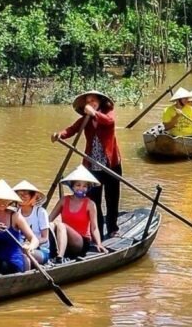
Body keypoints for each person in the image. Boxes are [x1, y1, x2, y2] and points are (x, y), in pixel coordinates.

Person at [51, 90, 122, 239]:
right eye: (88, 102)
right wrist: (59, 135)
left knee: (112, 198)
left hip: (110, 164)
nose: (91, 104)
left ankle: (113, 228)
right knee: (94, 200)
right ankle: (98, 232)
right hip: (92, 165)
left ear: (100, 102)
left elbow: (110, 122)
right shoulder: (86, 119)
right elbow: (72, 129)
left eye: (93, 101)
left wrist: (94, 114)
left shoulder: (107, 113)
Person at [49, 166, 108, 263]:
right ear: (72, 186)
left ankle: (60, 257)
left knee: (61, 225)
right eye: (78, 185)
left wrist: (99, 243)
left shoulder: (90, 204)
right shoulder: (64, 200)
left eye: (84, 186)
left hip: (81, 242)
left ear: (88, 188)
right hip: (64, 239)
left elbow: (94, 228)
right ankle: (50, 252)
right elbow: (50, 219)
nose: (81, 188)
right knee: (51, 225)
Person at [13, 180, 51, 266]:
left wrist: (30, 245)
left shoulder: (40, 212)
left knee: (21, 253)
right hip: (21, 247)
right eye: (19, 194)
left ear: (34, 197)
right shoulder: (15, 213)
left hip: (40, 250)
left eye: (25, 194)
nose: (22, 197)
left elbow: (45, 238)